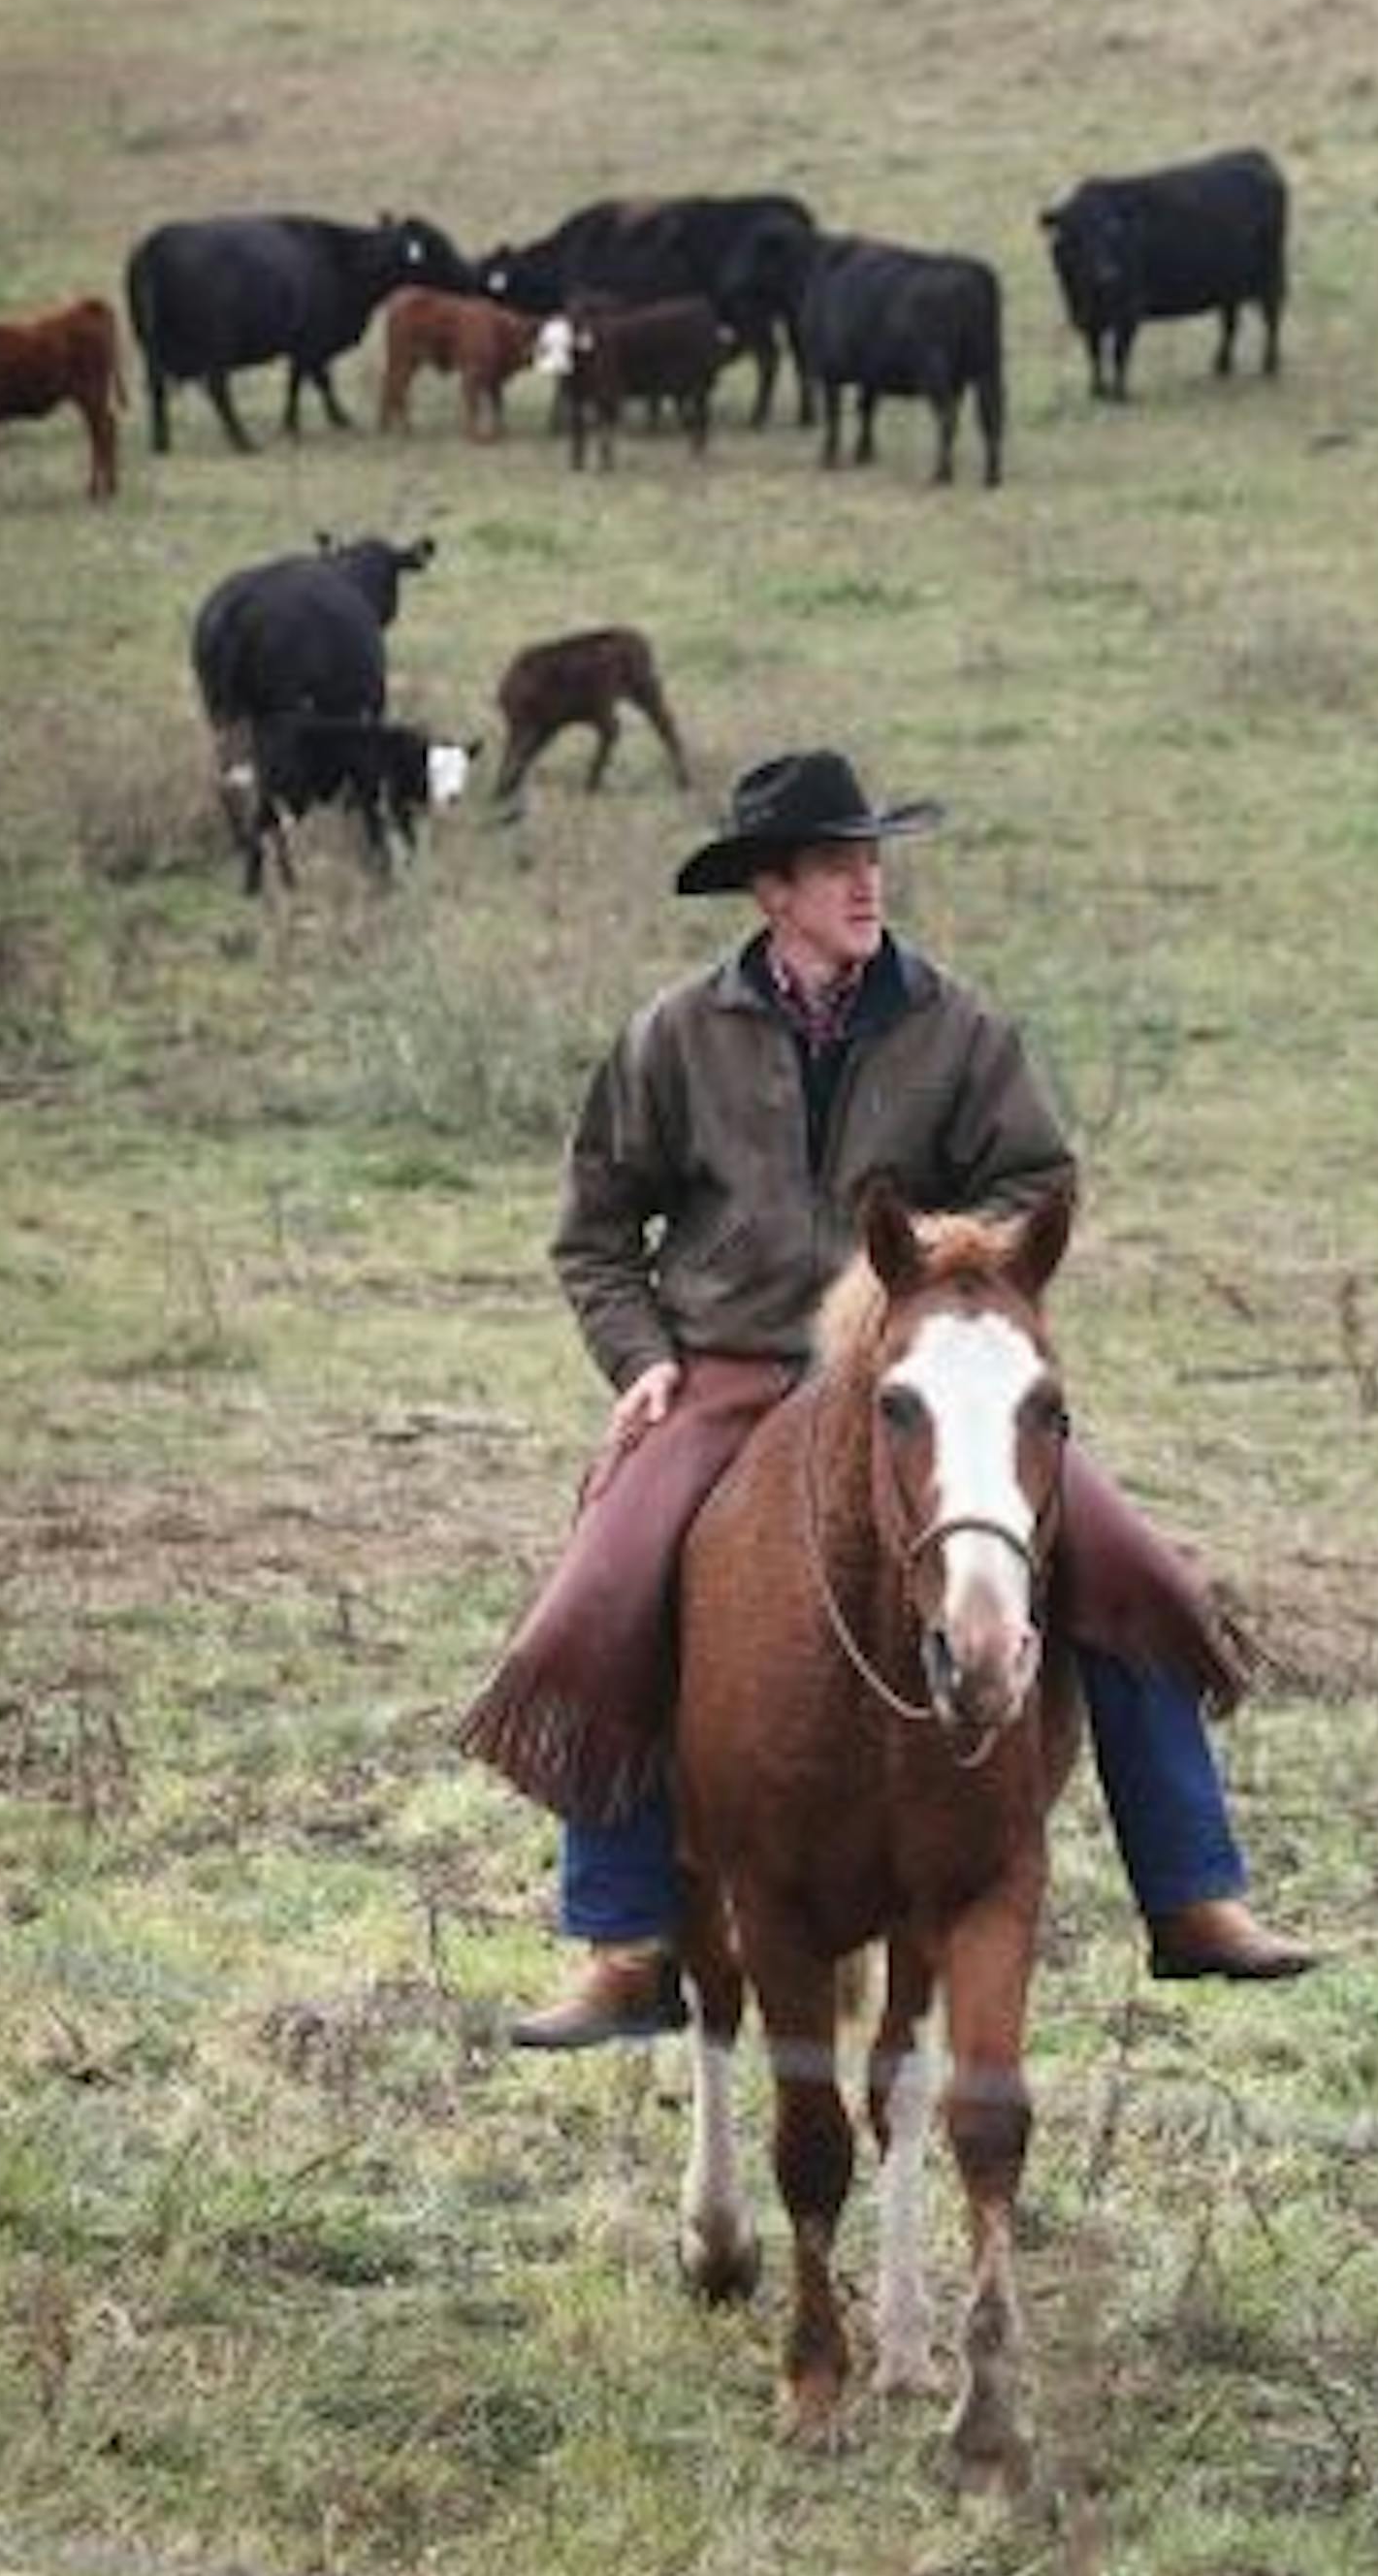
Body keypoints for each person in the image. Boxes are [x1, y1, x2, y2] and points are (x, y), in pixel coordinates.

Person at [458, 747, 1319, 2050]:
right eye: (835, 865)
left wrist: (942, 1289)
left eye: (873, 861)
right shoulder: (675, 1036)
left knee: (1134, 1573)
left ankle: (1193, 1891)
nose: (867, 884)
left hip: (921, 1374)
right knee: (605, 1579)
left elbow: (1037, 1187)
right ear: (771, 891)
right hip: (732, 1371)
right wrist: (642, 1363)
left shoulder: (958, 1027)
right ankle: (628, 1934)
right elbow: (593, 1234)